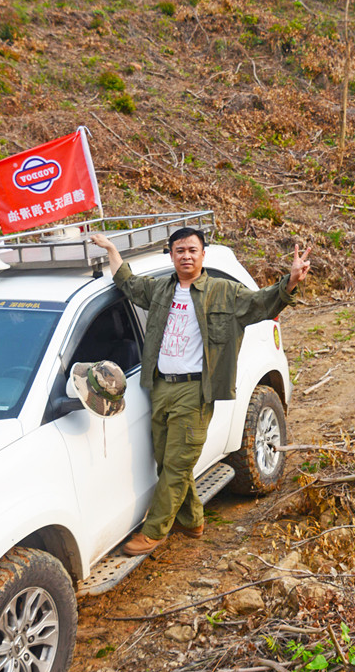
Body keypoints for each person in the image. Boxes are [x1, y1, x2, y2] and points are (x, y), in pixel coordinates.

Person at [90, 227, 311, 557]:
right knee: (166, 460)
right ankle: (192, 519)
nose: (186, 256)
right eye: (180, 250)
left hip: (196, 390)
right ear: (171, 254)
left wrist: (291, 281)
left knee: (178, 465)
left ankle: (155, 532)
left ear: (203, 254)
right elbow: (128, 283)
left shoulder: (223, 292)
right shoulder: (160, 290)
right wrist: (110, 249)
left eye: (192, 250)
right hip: (161, 387)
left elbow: (262, 304)